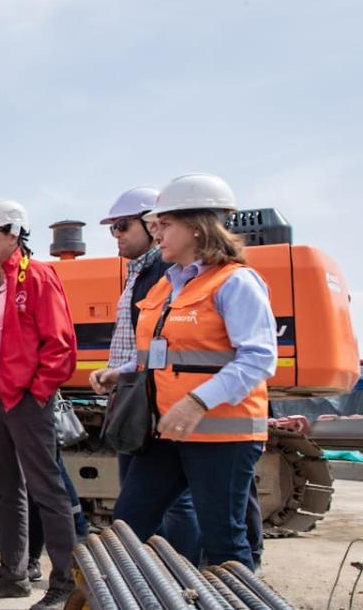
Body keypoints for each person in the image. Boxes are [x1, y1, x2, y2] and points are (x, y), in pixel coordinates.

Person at [106, 173, 276, 570]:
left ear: (198, 228)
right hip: (168, 430)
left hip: (221, 435)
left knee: (223, 543)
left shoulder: (235, 282)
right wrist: (123, 370)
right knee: (127, 525)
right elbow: (161, 351)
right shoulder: (167, 285)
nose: (156, 232)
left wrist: (197, 402)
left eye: (165, 225)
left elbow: (259, 358)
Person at [0, 199, 78, 610]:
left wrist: (38, 391)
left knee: (46, 490)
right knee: (6, 490)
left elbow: (61, 345)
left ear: (14, 233)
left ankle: (65, 581)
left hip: (26, 398)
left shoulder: (38, 277)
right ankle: (13, 574)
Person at [88, 187, 201, 564]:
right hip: (132, 388)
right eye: (113, 229)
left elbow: (161, 342)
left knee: (172, 500)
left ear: (151, 225)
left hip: (150, 396)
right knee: (148, 496)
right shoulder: (139, 272)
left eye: (122, 227)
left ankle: (180, 571)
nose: (117, 235)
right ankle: (162, 571)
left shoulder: (162, 273)